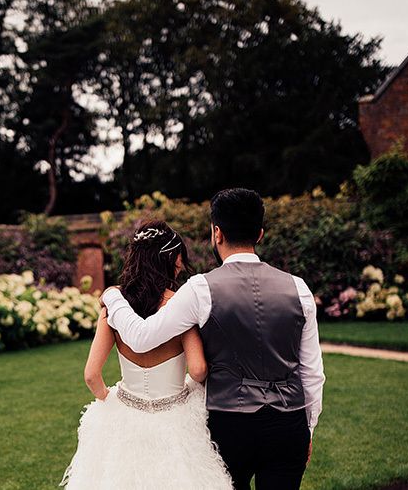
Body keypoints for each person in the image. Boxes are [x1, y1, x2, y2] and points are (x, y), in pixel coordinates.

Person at [102, 188, 326, 490]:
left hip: (229, 426)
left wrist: (112, 297)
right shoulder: (298, 289)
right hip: (288, 425)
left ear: (216, 233)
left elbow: (141, 338)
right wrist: (308, 428)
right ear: (260, 234)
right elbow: (312, 373)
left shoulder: (200, 289)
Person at [61, 219, 233, 490]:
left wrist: (112, 400)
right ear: (170, 258)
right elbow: (198, 369)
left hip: (125, 414)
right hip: (176, 418)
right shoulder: (180, 305)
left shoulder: (114, 307)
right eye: (179, 256)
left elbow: (91, 375)